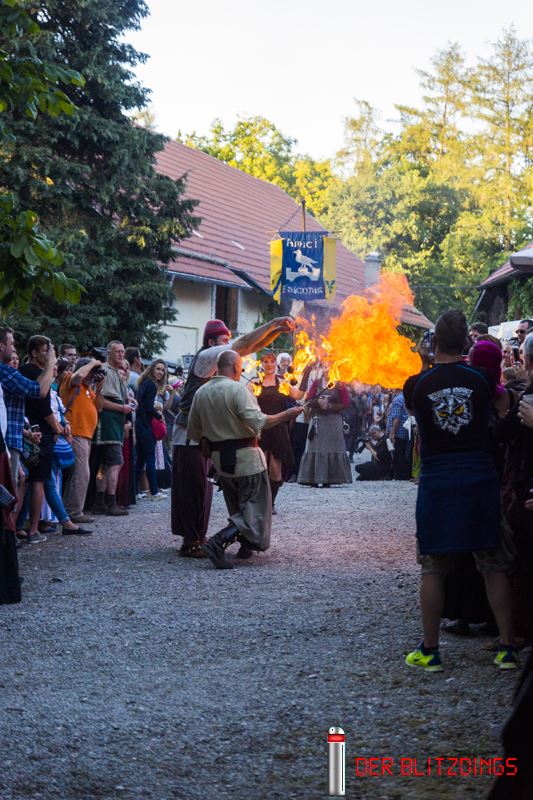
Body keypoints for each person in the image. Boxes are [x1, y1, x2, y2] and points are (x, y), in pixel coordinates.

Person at [403, 310, 517, 672]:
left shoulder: (417, 384)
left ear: (434, 341)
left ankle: (431, 650)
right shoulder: (481, 379)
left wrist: (426, 364)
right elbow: (505, 409)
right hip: (479, 477)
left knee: (433, 567)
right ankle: (507, 649)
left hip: (438, 480)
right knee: (492, 564)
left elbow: (413, 409)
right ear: (466, 342)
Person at [172, 315, 296, 558]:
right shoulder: (207, 356)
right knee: (192, 489)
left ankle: (200, 537)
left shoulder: (217, 362)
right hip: (188, 435)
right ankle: (191, 541)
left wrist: (277, 332)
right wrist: (273, 324)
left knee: (204, 491)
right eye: (224, 340)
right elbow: (245, 344)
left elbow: (249, 347)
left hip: (204, 435)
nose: (230, 344)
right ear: (211, 342)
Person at [19, 336, 64, 544]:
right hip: (38, 434)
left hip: (32, 431)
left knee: (28, 481)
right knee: (37, 481)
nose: (50, 355)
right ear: (34, 353)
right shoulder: (35, 373)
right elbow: (43, 403)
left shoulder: (25, 371)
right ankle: (33, 529)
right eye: (46, 350)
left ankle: (20, 525)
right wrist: (57, 428)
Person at [0, 327, 55, 489]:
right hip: (7, 440)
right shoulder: (4, 371)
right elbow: (39, 391)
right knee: (9, 491)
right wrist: (51, 362)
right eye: (11, 344)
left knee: (16, 484)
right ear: (1, 346)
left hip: (11, 438)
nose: (14, 348)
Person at [60, 357, 104, 523]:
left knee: (78, 475)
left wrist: (99, 388)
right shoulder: (70, 380)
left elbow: (99, 407)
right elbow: (78, 376)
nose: (92, 376)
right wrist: (93, 363)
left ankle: (68, 511)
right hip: (75, 433)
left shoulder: (87, 389)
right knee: (81, 474)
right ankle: (74, 512)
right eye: (91, 372)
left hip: (85, 436)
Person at [92, 341, 131, 516]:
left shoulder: (116, 372)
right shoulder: (106, 371)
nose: (121, 354)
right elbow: (102, 401)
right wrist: (122, 408)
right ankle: (111, 502)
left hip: (113, 423)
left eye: (123, 351)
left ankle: (99, 502)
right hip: (108, 423)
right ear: (109, 352)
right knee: (116, 463)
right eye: (117, 351)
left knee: (104, 465)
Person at [253, 351, 296, 512]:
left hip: (278, 429)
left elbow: (298, 395)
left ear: (275, 363)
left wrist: (306, 374)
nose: (269, 364)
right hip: (261, 429)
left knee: (275, 473)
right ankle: (262, 503)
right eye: (266, 361)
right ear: (261, 364)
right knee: (260, 470)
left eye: (271, 361)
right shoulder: (255, 382)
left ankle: (271, 503)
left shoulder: (283, 382)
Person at [297, 375, 352, 487]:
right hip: (318, 420)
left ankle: (330, 478)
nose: (327, 369)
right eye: (325, 366)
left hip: (333, 422)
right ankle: (313, 478)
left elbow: (346, 403)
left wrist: (330, 406)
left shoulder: (339, 384)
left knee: (332, 448)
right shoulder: (317, 383)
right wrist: (318, 402)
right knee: (315, 447)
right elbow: (308, 400)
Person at [135, 359, 168, 500]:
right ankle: (154, 492)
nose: (160, 372)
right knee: (149, 458)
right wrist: (158, 415)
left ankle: (134, 491)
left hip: (139, 424)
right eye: (158, 369)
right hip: (146, 425)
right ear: (152, 369)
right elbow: (148, 407)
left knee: (140, 460)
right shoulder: (151, 385)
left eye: (163, 370)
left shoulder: (143, 383)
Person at [386, 390, 412, 480]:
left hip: (399, 433)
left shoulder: (397, 400)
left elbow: (396, 419)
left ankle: (399, 475)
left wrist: (392, 433)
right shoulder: (406, 398)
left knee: (398, 455)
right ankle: (404, 474)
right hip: (406, 432)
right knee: (404, 454)